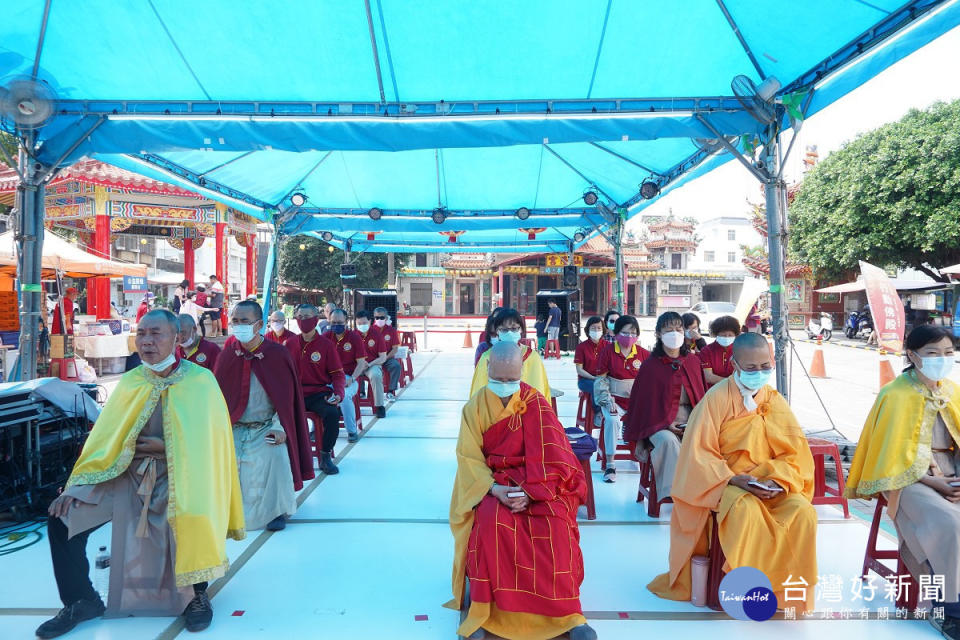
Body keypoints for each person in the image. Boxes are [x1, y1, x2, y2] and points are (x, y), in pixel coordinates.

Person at [36, 310, 244, 639]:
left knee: (193, 513)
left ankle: (196, 595)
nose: (146, 341)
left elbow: (213, 444)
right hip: (123, 474)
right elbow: (104, 440)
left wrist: (167, 448)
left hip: (184, 474)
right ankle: (81, 600)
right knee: (62, 517)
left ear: (178, 338)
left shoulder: (201, 381)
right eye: (142, 333)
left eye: (156, 334)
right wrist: (74, 486)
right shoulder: (132, 381)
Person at [648, 332, 817, 613]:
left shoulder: (774, 400)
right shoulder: (715, 400)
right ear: (735, 364)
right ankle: (748, 591)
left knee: (802, 512)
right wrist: (734, 479)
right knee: (745, 512)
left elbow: (796, 454)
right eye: (751, 368)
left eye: (765, 367)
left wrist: (777, 479)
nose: (759, 373)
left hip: (770, 482)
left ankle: (786, 594)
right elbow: (697, 456)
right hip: (727, 483)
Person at [445, 343, 596, 640]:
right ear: (487, 370)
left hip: (539, 483)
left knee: (555, 525)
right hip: (495, 485)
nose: (504, 387)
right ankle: (486, 612)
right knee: (492, 522)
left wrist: (532, 492)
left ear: (521, 373)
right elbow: (468, 459)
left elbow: (559, 458)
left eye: (511, 380)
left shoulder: (536, 402)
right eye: (498, 380)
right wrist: (495, 490)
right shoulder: (474, 407)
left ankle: (568, 615)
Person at [846, 325, 960, 636]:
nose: (943, 359)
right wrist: (932, 481)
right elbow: (889, 453)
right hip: (908, 480)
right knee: (950, 523)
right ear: (912, 355)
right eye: (933, 353)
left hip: (952, 473)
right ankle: (949, 608)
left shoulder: (952, 391)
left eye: (948, 353)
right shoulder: (894, 394)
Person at [215, 300, 314, 532]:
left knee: (276, 454)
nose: (238, 326)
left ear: (259, 324)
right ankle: (224, 508)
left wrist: (280, 428)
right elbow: (217, 396)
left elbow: (286, 400)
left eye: (244, 321)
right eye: (235, 321)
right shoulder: (229, 352)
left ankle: (276, 511)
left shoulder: (277, 354)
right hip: (234, 426)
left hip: (266, 427)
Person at [624, 311, 706, 500]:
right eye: (669, 330)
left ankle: (703, 493)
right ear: (659, 334)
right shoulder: (650, 366)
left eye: (678, 329)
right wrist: (666, 424)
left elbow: (701, 400)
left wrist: (694, 422)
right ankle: (676, 494)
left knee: (707, 443)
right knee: (669, 442)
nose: (675, 333)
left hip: (690, 420)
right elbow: (643, 406)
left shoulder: (693, 362)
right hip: (658, 424)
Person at [286, 304, 346, 476]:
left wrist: (338, 394)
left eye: (308, 316)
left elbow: (338, 375)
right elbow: (281, 374)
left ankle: (325, 455)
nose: (304, 320)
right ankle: (292, 456)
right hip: (295, 394)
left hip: (319, 393)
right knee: (279, 416)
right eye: (300, 316)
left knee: (332, 414)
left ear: (316, 319)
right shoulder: (289, 344)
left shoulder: (326, 345)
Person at [595, 315, 650, 483]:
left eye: (633, 332)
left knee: (653, 420)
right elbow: (601, 380)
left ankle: (645, 459)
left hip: (636, 403)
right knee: (612, 420)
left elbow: (650, 382)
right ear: (616, 333)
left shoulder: (644, 354)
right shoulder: (607, 352)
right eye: (625, 333)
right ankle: (610, 463)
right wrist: (607, 399)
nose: (629, 336)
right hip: (614, 400)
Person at [470, 308, 550, 399]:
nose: (509, 333)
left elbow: (540, 393)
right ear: (497, 331)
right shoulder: (487, 357)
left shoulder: (532, 357)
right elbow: (478, 395)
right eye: (504, 329)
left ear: (521, 329)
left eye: (514, 328)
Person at [323, 308, 371, 439]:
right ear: (329, 321)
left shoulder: (354, 337)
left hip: (349, 378)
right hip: (329, 379)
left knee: (343, 397)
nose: (336, 325)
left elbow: (361, 363)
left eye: (340, 322)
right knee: (316, 397)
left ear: (346, 321)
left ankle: (351, 431)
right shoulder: (326, 337)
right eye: (333, 322)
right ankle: (317, 429)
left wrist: (352, 378)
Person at [355, 309, 389, 418]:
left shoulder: (377, 335)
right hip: (355, 365)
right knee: (345, 377)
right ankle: (343, 405)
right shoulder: (352, 335)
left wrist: (369, 364)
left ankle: (379, 406)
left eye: (364, 323)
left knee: (376, 375)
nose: (362, 325)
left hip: (372, 364)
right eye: (359, 323)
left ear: (370, 322)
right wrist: (359, 363)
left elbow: (383, 357)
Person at [573, 316, 605, 424]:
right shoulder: (581, 347)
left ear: (603, 329)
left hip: (604, 378)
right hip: (585, 380)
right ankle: (598, 412)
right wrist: (594, 378)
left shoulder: (608, 346)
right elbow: (579, 370)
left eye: (599, 328)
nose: (596, 331)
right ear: (587, 330)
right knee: (595, 385)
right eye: (593, 328)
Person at [699, 315, 740, 386]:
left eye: (730, 335)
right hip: (713, 392)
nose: (727, 337)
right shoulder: (706, 351)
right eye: (723, 335)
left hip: (737, 391)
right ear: (716, 334)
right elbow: (708, 377)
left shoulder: (740, 350)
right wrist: (732, 383)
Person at [374, 307, 403, 400]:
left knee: (396, 366)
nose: (379, 320)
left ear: (386, 318)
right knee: (359, 367)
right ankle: (362, 392)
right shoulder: (370, 330)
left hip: (387, 358)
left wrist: (384, 358)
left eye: (382, 318)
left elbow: (395, 349)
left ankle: (391, 391)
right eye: (377, 318)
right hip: (373, 359)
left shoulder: (391, 331)